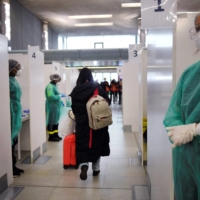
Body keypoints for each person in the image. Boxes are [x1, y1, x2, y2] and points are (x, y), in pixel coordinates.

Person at [163, 13, 200, 200]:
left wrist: (195, 129)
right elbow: (173, 113)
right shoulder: (190, 74)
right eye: (198, 28)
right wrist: (178, 129)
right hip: (186, 159)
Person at [70, 68, 110, 181]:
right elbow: (107, 102)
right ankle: (96, 169)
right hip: (97, 121)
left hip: (82, 123)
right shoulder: (97, 88)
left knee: (83, 144)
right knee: (97, 143)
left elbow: (74, 108)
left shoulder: (76, 90)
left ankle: (84, 166)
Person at [9, 59, 24, 178]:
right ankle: (9, 168)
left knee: (14, 141)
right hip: (10, 112)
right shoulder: (6, 81)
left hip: (15, 110)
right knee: (9, 142)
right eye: (17, 68)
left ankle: (13, 166)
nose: (18, 70)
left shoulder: (13, 80)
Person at [45, 74, 66, 142]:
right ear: (55, 79)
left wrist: (60, 100)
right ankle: (51, 136)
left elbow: (56, 95)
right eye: (59, 79)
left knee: (56, 121)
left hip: (56, 105)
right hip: (52, 106)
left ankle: (56, 135)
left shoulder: (54, 86)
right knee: (52, 121)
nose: (59, 80)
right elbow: (51, 97)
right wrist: (60, 96)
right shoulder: (50, 87)